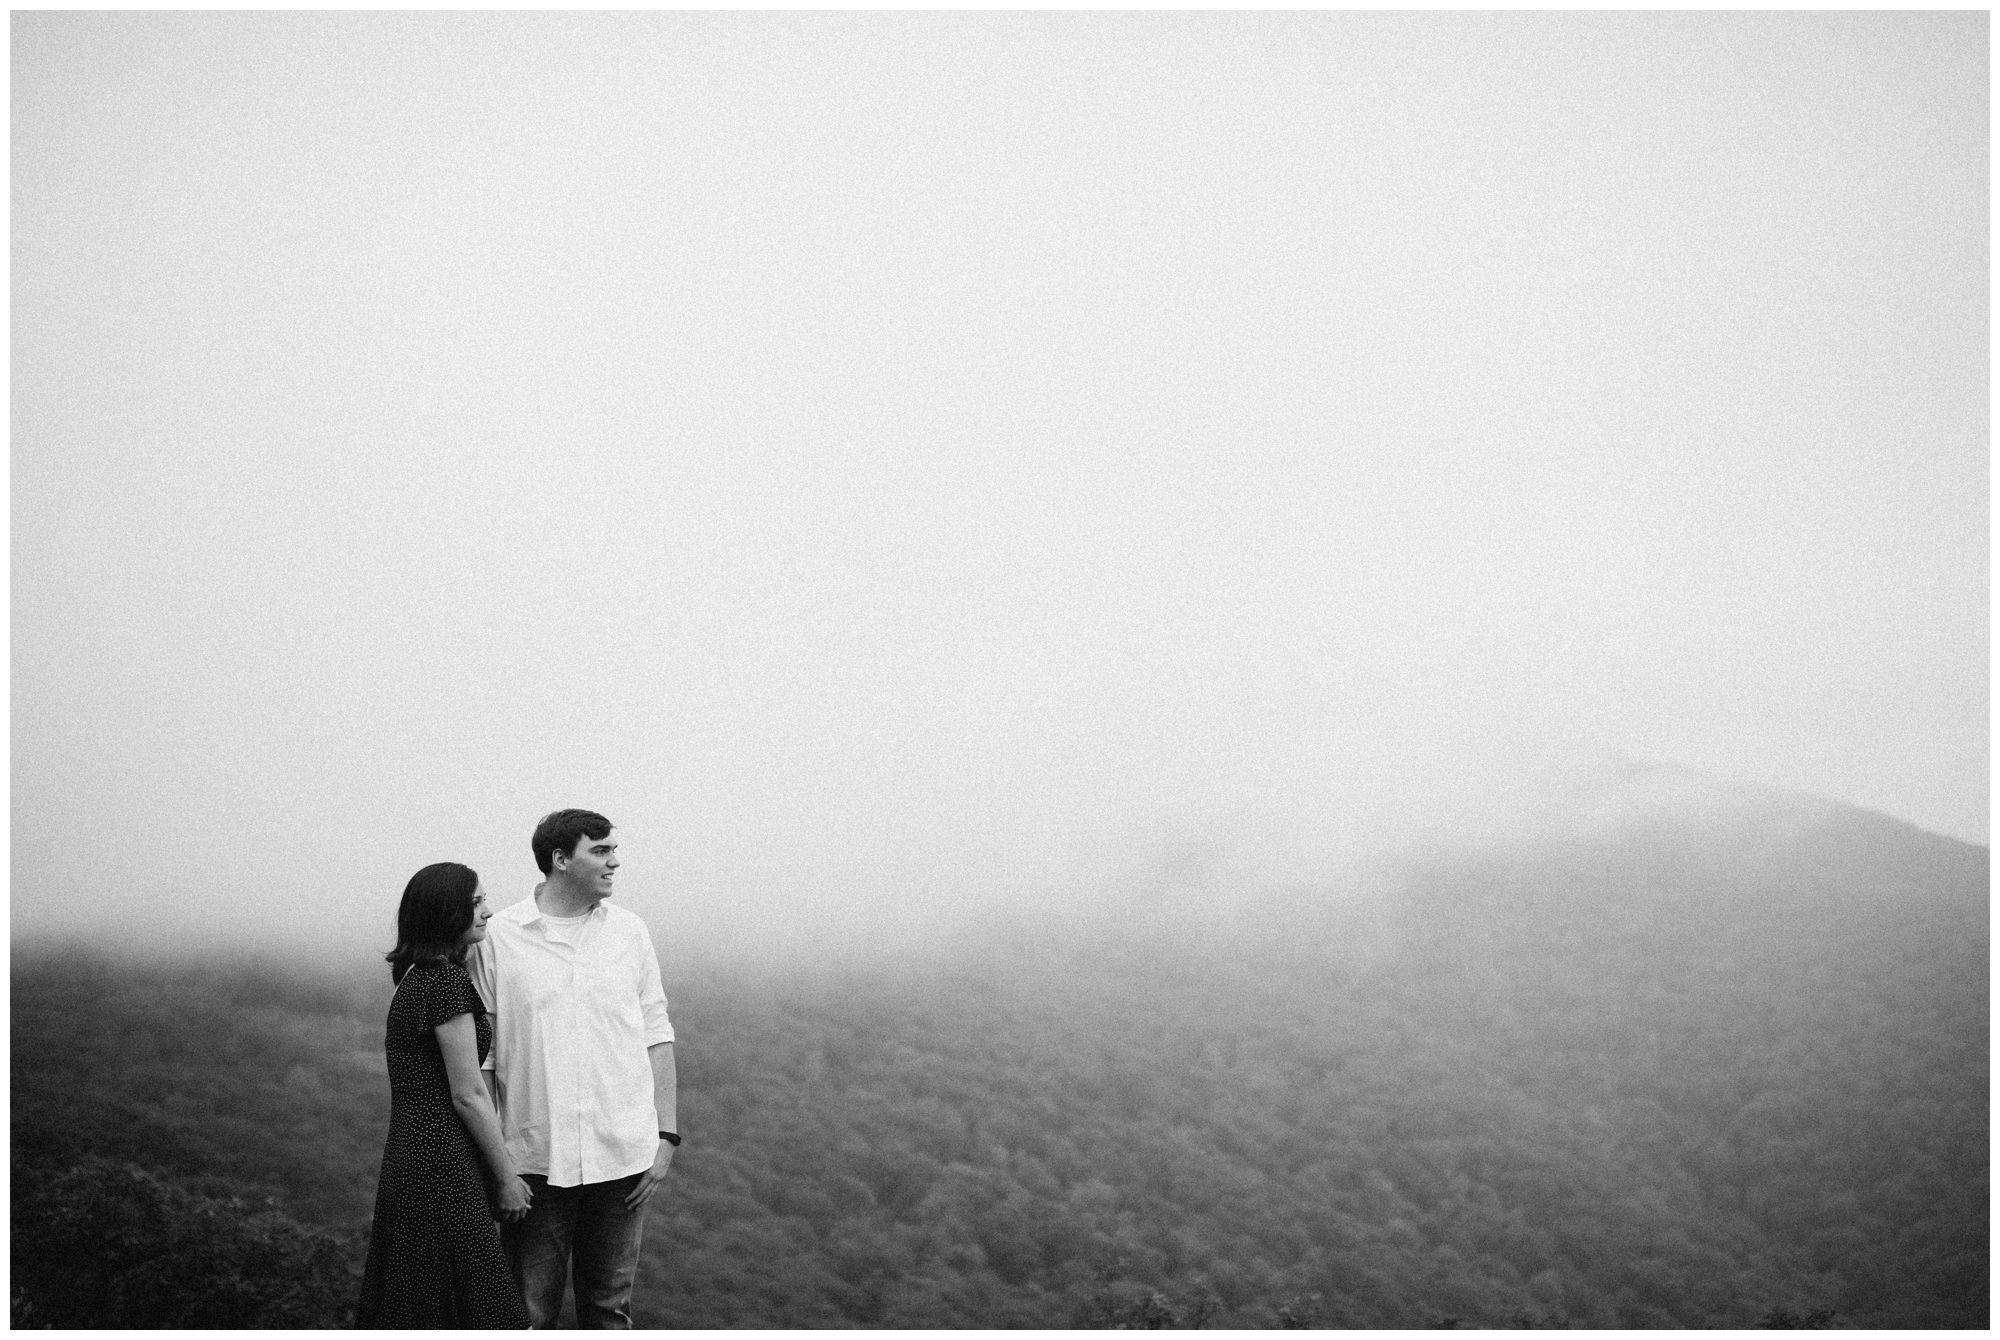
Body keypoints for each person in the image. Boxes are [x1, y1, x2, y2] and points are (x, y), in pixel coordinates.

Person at [469, 810, 678, 1329]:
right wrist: (498, 1168)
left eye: (613, 850)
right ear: (561, 860)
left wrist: (666, 1135)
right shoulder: (500, 936)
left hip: (622, 1157)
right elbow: (483, 1057)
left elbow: (656, 1032)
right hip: (535, 1160)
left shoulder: (630, 931)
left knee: (609, 1314)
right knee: (526, 1316)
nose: (615, 861)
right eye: (601, 851)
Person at [356, 862, 534, 1328]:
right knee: (482, 1308)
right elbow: (469, 1094)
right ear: (446, 910)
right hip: (443, 1165)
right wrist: (507, 1177)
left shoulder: (414, 979)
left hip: (411, 1159)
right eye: (476, 902)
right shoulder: (445, 983)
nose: (488, 911)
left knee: (421, 1303)